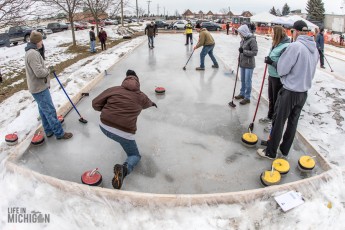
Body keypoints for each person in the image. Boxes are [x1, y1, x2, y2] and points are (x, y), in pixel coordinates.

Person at [257, 20, 319, 160]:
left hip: (290, 90)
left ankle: (270, 152)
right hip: (303, 93)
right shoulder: (314, 48)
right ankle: (284, 150)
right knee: (293, 122)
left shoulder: (295, 46)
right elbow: (312, 70)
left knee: (279, 120)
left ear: (294, 31)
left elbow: (282, 69)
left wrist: (280, 69)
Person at [92, 70, 157, 190]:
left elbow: (95, 103)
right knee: (134, 155)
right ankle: (124, 169)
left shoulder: (114, 89)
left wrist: (107, 110)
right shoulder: (141, 96)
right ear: (138, 82)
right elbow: (147, 103)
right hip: (124, 133)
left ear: (125, 79)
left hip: (104, 126)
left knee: (116, 135)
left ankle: (118, 140)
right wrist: (153, 103)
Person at [25, 31, 73, 140]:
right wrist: (48, 71)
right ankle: (59, 133)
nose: (42, 42)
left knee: (43, 110)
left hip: (37, 87)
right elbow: (39, 73)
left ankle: (48, 130)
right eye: (41, 40)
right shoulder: (32, 53)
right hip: (39, 88)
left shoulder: (32, 51)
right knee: (50, 111)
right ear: (37, 41)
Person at [259, 26, 290, 132]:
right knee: (271, 98)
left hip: (278, 78)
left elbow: (284, 65)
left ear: (277, 33)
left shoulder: (285, 46)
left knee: (277, 101)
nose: (270, 33)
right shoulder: (275, 44)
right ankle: (270, 116)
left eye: (272, 32)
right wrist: (269, 59)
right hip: (272, 75)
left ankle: (274, 123)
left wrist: (271, 62)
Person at [233, 24, 258, 105]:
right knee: (243, 80)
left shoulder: (252, 40)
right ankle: (242, 93)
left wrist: (243, 51)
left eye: (240, 33)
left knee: (248, 81)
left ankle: (247, 98)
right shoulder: (243, 39)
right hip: (242, 63)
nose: (239, 34)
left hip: (249, 64)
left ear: (244, 32)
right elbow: (241, 51)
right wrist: (239, 57)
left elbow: (255, 52)